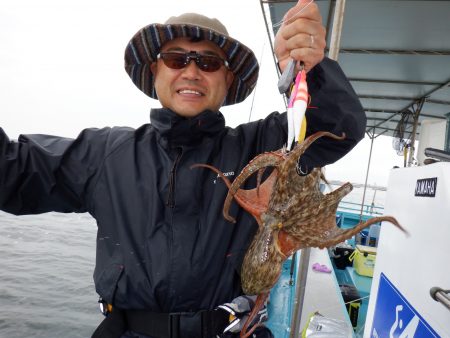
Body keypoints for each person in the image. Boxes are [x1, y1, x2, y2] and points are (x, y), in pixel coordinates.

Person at [0, 2, 366, 338]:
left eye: (208, 63)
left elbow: (338, 127)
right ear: (155, 69)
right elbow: (12, 172)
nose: (191, 71)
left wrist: (311, 68)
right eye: (176, 59)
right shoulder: (106, 155)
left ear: (227, 79)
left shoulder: (261, 146)